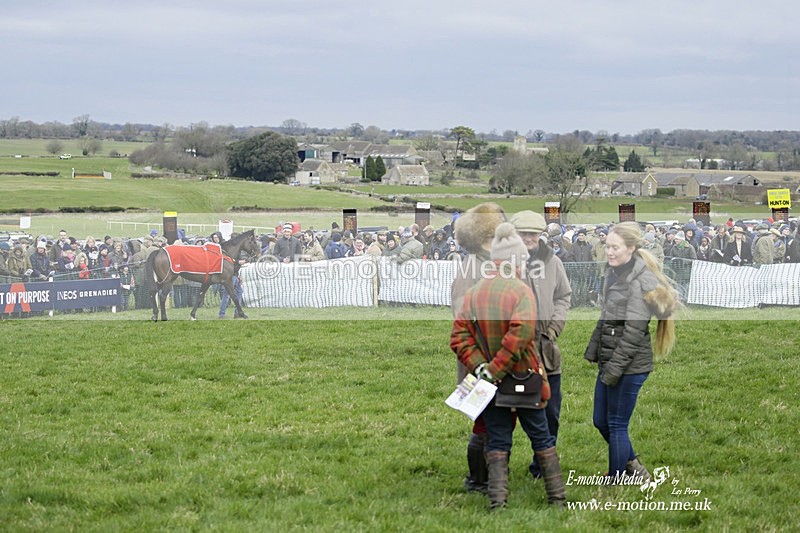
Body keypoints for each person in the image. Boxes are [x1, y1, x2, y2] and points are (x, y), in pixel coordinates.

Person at [451, 222, 565, 510]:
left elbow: (459, 337)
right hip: (525, 379)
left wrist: (482, 368)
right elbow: (520, 335)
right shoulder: (521, 291)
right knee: (541, 437)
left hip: (490, 386)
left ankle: (497, 503)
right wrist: (496, 368)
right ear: (515, 262)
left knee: (498, 441)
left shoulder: (474, 293)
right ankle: (557, 498)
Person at [584, 222, 678, 483]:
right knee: (600, 420)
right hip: (611, 360)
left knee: (616, 424)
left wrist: (614, 369)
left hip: (630, 366)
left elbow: (633, 333)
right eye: (607, 246)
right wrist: (593, 350)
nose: (609, 252)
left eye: (615, 247)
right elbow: (606, 318)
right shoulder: (614, 273)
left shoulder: (639, 281)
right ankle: (634, 466)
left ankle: (617, 479)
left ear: (631, 248)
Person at [450, 202, 507, 495]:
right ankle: (479, 479)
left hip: (497, 353)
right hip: (480, 355)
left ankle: (492, 474)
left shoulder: (492, 263)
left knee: (496, 418)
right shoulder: (474, 267)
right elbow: (463, 317)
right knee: (484, 420)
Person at [510, 210, 572, 480]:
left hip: (545, 349)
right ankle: (493, 466)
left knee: (551, 412)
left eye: (533, 234)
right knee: (502, 414)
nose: (528, 238)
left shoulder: (553, 262)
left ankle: (542, 466)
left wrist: (554, 328)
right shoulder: (500, 264)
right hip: (511, 350)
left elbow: (563, 296)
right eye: (522, 234)